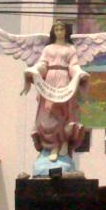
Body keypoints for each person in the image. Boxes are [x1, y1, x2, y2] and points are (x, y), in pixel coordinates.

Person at [23, 19, 87, 162]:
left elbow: (73, 65)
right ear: (53, 32)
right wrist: (34, 70)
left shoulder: (70, 49)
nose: (59, 32)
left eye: (61, 29)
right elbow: (43, 64)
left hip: (64, 81)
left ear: (66, 31)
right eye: (57, 29)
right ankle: (53, 146)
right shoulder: (48, 49)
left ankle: (64, 143)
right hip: (49, 82)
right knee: (48, 115)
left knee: (64, 115)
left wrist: (79, 73)